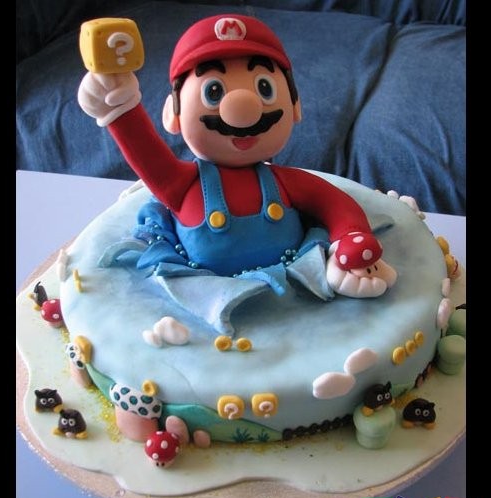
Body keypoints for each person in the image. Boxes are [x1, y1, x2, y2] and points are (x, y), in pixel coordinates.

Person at [78, 14, 396, 333]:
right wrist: (119, 108)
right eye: (213, 91)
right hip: (200, 312)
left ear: (295, 106)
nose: (243, 107)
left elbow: (332, 202)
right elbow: (146, 153)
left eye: (264, 88)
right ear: (172, 113)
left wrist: (350, 240)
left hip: (291, 304)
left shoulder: (286, 182)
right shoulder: (181, 185)